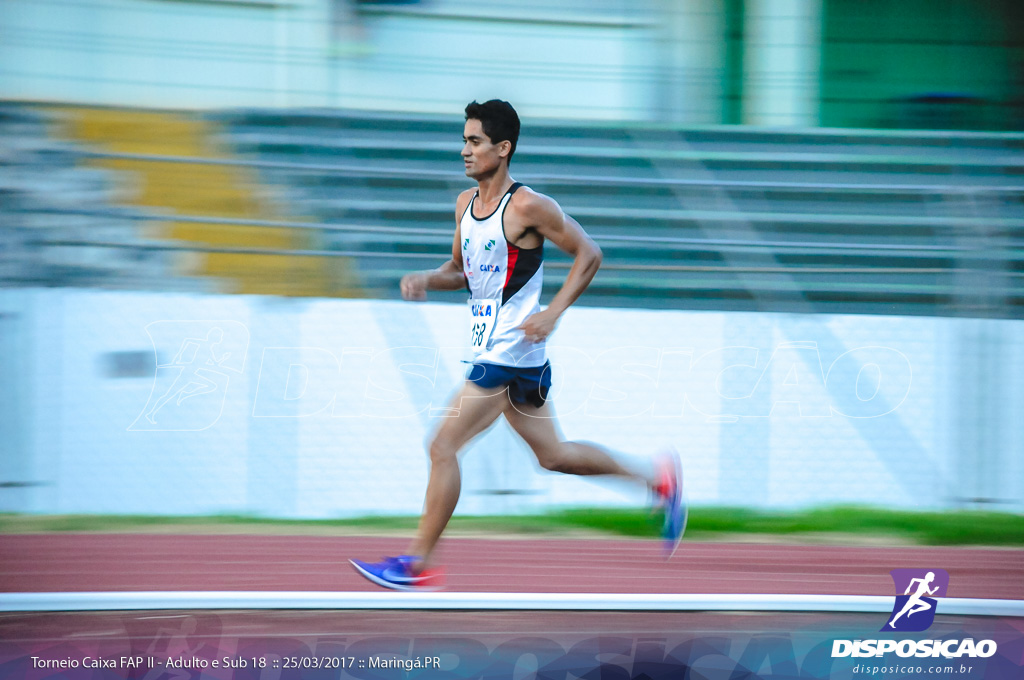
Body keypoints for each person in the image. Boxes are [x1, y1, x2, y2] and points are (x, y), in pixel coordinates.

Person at [350, 100, 686, 591]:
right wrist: (426, 278)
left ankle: (417, 565)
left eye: (475, 141)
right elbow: (461, 272)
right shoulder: (465, 205)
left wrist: (553, 313)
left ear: (502, 148)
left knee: (442, 445)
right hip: (507, 351)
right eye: (464, 140)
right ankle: (656, 480)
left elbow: (589, 253)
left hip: (508, 352)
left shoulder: (529, 206)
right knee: (554, 456)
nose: (465, 150)